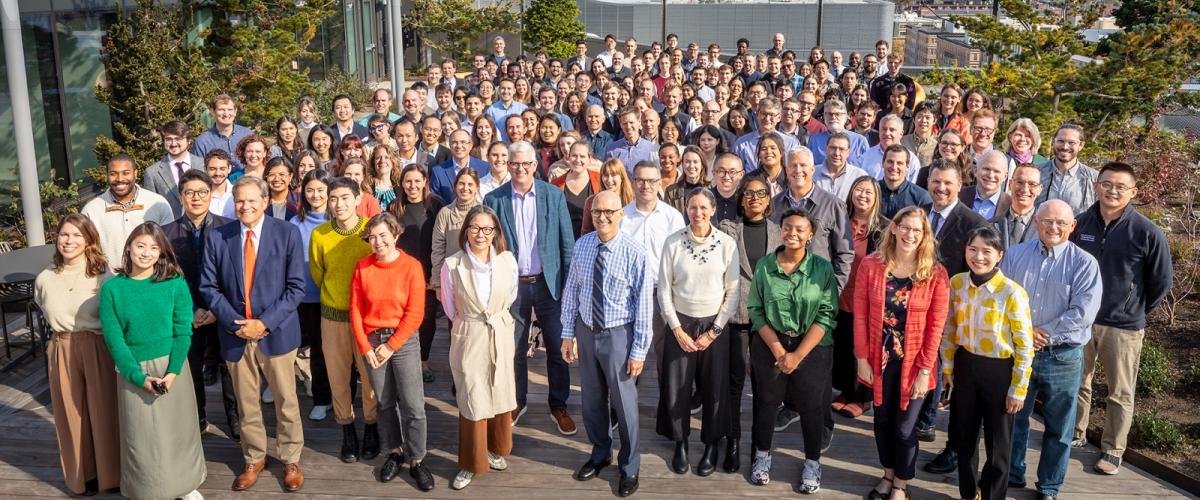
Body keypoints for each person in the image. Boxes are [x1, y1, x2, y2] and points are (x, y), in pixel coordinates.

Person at [199, 176, 308, 493]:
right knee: (246, 404)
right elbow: (209, 286)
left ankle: (290, 458)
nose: (245, 206)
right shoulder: (219, 237)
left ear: (264, 201)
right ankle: (254, 458)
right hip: (235, 335)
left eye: (251, 200)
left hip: (276, 333)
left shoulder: (286, 232)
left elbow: (296, 287)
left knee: (286, 401)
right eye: (239, 201)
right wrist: (237, 322)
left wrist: (264, 323)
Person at [1072, 162, 1173, 475]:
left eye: (1120, 186)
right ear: (1096, 186)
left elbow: (1161, 281)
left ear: (1133, 192)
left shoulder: (1146, 232)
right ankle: (1074, 434)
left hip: (1125, 326)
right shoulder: (1080, 224)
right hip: (1083, 321)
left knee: (1119, 392)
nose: (1112, 191)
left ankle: (1113, 450)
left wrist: (1135, 309)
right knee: (1077, 383)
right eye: (1106, 184)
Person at [1001, 199, 1102, 499]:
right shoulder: (1015, 256)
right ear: (1036, 222)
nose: (1053, 227)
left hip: (1064, 356)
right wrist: (1025, 334)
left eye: (1061, 223)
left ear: (1073, 226)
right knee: (1015, 417)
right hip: (1021, 353)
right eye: (1047, 221)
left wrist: (1043, 333)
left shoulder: (1085, 263)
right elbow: (1002, 297)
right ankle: (1013, 472)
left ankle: (1049, 486)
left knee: (1059, 428)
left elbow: (1082, 312)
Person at [99, 222, 205, 500]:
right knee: (141, 436)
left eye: (154, 247)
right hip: (132, 369)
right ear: (129, 247)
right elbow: (114, 340)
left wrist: (172, 373)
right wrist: (137, 376)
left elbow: (183, 330)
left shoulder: (175, 283)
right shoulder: (113, 289)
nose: (146, 253)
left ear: (162, 252)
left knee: (178, 430)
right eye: (140, 245)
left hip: (173, 366)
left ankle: (185, 484)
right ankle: (145, 490)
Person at [559, 190, 653, 498]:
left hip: (618, 335)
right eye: (597, 211)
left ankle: (630, 465)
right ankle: (601, 453)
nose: (603, 217)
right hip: (586, 331)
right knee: (591, 400)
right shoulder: (583, 245)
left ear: (621, 214)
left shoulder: (634, 251)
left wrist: (639, 350)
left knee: (624, 405)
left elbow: (643, 306)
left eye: (609, 212)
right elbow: (572, 290)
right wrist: (566, 333)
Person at [854, 206, 950, 500]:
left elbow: (937, 326)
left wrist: (925, 371)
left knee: (905, 427)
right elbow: (859, 312)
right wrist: (861, 358)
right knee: (882, 421)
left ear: (925, 236)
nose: (910, 234)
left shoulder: (935, 273)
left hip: (915, 363)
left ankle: (901, 484)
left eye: (917, 230)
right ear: (893, 228)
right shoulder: (871, 265)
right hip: (879, 359)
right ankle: (887, 474)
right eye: (905, 227)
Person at [483, 141, 577, 434]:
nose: (521, 169)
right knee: (514, 348)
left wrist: (568, 288)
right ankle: (517, 401)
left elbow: (566, 243)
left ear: (535, 166)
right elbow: (487, 248)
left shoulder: (552, 195)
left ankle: (558, 405)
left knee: (557, 348)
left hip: (548, 283)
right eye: (515, 164)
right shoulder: (493, 199)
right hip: (513, 287)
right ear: (507, 165)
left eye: (526, 164)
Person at [746, 208, 838, 492]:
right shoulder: (764, 265)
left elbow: (826, 314)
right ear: (780, 230)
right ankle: (761, 456)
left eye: (800, 229)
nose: (793, 233)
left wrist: (797, 355)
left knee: (811, 407)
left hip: (812, 347)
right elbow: (755, 310)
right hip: (770, 344)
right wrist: (778, 350)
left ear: (810, 235)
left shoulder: (822, 269)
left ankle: (812, 462)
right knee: (767, 403)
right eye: (787, 227)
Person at [940, 226, 1034, 500]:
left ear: (999, 255)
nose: (978, 257)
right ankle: (969, 493)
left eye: (986, 251)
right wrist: (947, 369)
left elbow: (1025, 345)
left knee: (999, 444)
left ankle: (993, 496)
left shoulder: (1012, 292)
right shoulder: (957, 284)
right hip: (965, 367)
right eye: (972, 249)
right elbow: (950, 330)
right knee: (964, 438)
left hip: (1000, 371)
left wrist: (1018, 388)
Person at [656, 188, 740, 476]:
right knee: (677, 386)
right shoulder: (673, 242)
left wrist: (715, 330)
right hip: (680, 322)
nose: (698, 213)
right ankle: (680, 442)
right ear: (686, 210)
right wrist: (676, 328)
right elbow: (664, 288)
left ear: (713, 209)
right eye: (693, 207)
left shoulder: (727, 244)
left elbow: (733, 291)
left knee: (714, 387)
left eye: (703, 207)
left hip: (713, 325)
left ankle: (710, 444)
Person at [35, 215, 120, 496]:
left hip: (97, 346)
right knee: (70, 415)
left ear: (88, 241)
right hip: (61, 346)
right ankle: (82, 477)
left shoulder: (104, 276)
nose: (68, 241)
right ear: (56, 238)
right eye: (63, 235)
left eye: (76, 236)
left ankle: (112, 475)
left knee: (104, 411)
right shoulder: (45, 278)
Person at [348, 213, 435, 491]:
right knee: (384, 403)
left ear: (395, 235)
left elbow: (416, 312)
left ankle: (417, 458)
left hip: (403, 341)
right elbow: (356, 311)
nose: (377, 241)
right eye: (372, 236)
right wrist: (366, 347)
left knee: (413, 405)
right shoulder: (363, 267)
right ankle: (395, 452)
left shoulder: (411, 266)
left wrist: (391, 345)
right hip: (372, 341)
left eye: (383, 235)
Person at [439, 207, 519, 490]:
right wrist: (471, 321)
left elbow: (511, 295)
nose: (481, 234)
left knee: (500, 389)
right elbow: (449, 307)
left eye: (487, 229)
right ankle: (470, 462)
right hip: (469, 331)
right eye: (475, 228)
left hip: (499, 329)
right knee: (472, 394)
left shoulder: (507, 261)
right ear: (466, 231)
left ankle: (497, 449)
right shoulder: (452, 265)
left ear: (496, 232)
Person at [917, 161, 992, 464]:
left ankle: (956, 449)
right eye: (936, 181)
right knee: (925, 369)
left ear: (961, 185)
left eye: (948, 183)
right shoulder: (920, 213)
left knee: (956, 385)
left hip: (956, 316)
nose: (941, 188)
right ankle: (923, 422)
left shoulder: (973, 222)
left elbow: (979, 269)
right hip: (919, 310)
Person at [164, 169, 241, 440]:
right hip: (187, 314)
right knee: (191, 368)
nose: (196, 198)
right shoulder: (166, 234)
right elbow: (167, 278)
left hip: (222, 310)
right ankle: (198, 417)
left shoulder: (229, 229)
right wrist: (193, 309)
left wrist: (215, 309)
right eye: (190, 193)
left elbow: (234, 275)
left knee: (228, 366)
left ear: (211, 195)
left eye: (202, 192)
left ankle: (235, 417)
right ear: (181, 197)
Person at [308, 176, 381, 462]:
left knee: (369, 375)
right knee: (338, 376)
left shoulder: (370, 231)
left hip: (367, 318)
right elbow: (318, 273)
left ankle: (372, 426)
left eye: (344, 198)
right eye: (333, 198)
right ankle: (347, 429)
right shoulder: (321, 235)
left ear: (357, 199)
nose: (338, 204)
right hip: (333, 316)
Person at [716, 174, 780, 472]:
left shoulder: (780, 233)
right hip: (737, 317)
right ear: (741, 199)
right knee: (734, 385)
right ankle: (732, 442)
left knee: (764, 388)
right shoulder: (727, 229)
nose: (755, 198)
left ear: (769, 200)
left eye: (761, 193)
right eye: (749, 194)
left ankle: (759, 446)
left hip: (768, 322)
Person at [831, 176, 890, 419]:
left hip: (869, 299)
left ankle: (863, 397)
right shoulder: (841, 221)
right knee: (843, 345)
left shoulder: (885, 228)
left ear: (876, 197)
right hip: (842, 293)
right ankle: (846, 391)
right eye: (858, 190)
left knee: (864, 348)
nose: (862, 195)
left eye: (868, 192)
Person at [289, 169, 335, 421]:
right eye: (310, 190)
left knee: (329, 349)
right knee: (310, 347)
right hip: (303, 296)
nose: (315, 195)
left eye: (320, 190)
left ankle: (329, 397)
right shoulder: (295, 223)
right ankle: (317, 395)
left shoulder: (336, 220)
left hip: (331, 296)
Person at [81, 154, 175, 266]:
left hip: (152, 280)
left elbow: (169, 245)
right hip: (108, 280)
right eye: (113, 174)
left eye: (126, 173)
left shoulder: (158, 204)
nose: (120, 179)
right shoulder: (91, 210)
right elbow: (85, 251)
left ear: (135, 173)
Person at [431, 168, 483, 293]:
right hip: (452, 278)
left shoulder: (483, 212)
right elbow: (438, 249)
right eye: (461, 183)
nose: (465, 188)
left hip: (478, 280)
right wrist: (438, 283)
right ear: (454, 186)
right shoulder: (445, 213)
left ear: (477, 188)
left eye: (470, 184)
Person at [145, 121, 203, 218]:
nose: (173, 144)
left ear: (189, 140)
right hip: (169, 228)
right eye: (168, 139)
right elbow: (151, 208)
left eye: (178, 139)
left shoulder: (203, 165)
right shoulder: (152, 173)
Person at [1037, 123, 1098, 215]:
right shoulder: (1036, 173)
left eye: (1071, 142)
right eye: (1061, 141)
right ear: (1053, 142)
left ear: (1081, 145)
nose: (1065, 147)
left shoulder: (1093, 178)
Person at [733, 97, 803, 172]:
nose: (767, 118)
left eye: (772, 115)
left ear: (779, 117)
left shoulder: (791, 143)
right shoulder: (741, 144)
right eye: (764, 114)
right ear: (757, 115)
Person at [552, 141, 603, 237]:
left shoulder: (600, 180)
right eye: (574, 155)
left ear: (589, 159)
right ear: (568, 157)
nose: (577, 160)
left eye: (582, 156)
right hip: (564, 240)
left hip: (593, 240)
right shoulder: (555, 184)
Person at [192, 94, 253, 171]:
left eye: (230, 110)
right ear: (213, 112)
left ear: (235, 111)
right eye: (221, 110)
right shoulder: (202, 142)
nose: (226, 114)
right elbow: (198, 173)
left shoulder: (247, 134)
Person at [431, 129, 491, 203]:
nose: (459, 146)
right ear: (449, 145)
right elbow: (435, 203)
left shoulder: (485, 168)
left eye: (463, 142)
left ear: (470, 145)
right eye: (454, 142)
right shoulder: (438, 172)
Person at [993, 164, 1042, 249]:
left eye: (1032, 184)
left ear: (1040, 189)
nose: (1024, 189)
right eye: (1020, 182)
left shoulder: (1046, 228)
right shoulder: (991, 225)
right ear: (1010, 184)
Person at [580, 158, 635, 234]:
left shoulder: (634, 200)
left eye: (613, 175)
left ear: (622, 177)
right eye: (606, 175)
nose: (609, 180)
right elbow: (586, 232)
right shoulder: (591, 201)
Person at [814, 132, 869, 200]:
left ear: (848, 152)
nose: (837, 153)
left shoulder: (859, 176)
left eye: (842, 149)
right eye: (833, 148)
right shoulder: (812, 173)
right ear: (826, 149)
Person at [605, 107, 658, 173]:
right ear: (621, 125)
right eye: (625, 123)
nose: (628, 127)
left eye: (631, 122)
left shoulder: (651, 149)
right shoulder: (612, 150)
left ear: (639, 123)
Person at [960, 151, 1011, 220]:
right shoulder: (959, 196)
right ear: (975, 171)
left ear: (1005, 176)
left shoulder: (1010, 205)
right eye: (986, 169)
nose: (990, 175)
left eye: (996, 171)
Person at [664, 146, 713, 216]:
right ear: (683, 164)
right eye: (687, 162)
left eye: (695, 162)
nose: (691, 166)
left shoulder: (712, 188)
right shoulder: (671, 192)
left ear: (702, 165)